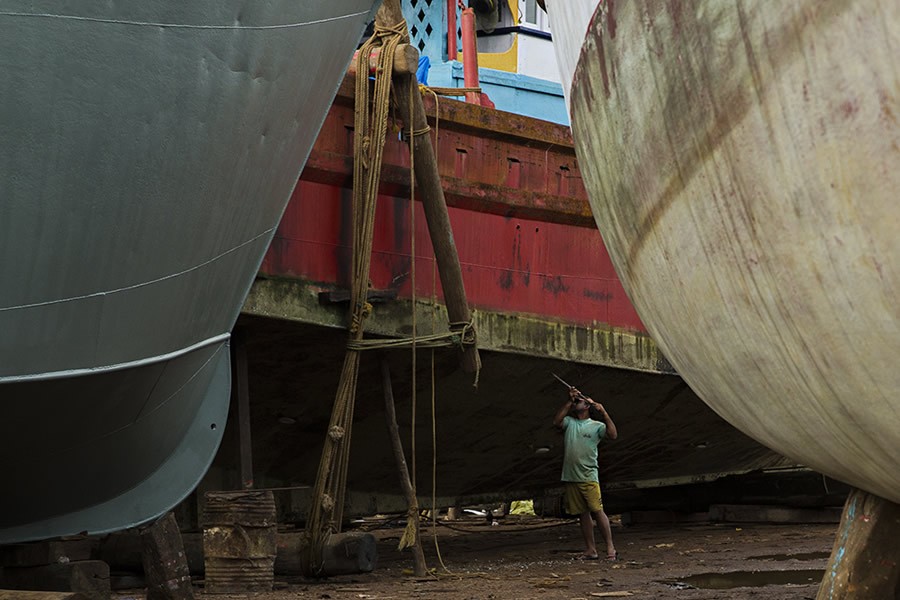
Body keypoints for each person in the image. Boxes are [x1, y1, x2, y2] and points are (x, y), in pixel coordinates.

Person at [553, 386, 618, 561]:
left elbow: (613, 435)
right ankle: (591, 550)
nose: (576, 403)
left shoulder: (597, 425)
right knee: (582, 513)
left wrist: (604, 412)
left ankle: (611, 549)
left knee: (598, 510)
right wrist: (570, 400)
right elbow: (557, 422)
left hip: (588, 475)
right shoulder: (570, 422)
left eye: (579, 401)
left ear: (588, 405)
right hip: (571, 475)